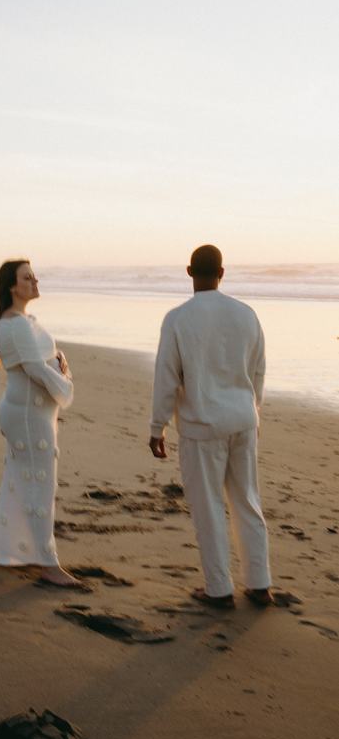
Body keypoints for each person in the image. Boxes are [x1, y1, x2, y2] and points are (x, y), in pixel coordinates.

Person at [149, 244, 273, 608]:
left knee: (208, 507)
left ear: (189, 272)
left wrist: (157, 426)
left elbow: (166, 377)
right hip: (242, 419)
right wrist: (254, 410)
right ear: (223, 272)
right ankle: (259, 583)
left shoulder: (178, 318)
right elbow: (259, 371)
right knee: (247, 501)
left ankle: (219, 589)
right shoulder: (246, 315)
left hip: (203, 424)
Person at [0, 259, 83, 587]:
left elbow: (45, 360)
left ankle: (7, 549)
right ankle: (47, 563)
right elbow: (37, 371)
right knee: (40, 485)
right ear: (13, 286)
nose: (35, 280)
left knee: (21, 481)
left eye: (34, 275)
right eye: (27, 277)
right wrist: (65, 381)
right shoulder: (15, 325)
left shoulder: (26, 321)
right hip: (27, 416)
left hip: (33, 413)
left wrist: (57, 363)